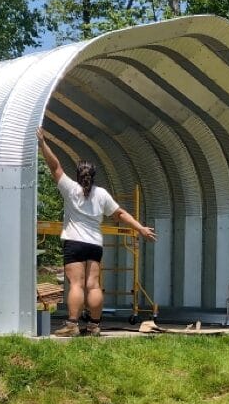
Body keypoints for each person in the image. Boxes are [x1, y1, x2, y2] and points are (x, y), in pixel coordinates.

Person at [37, 128, 157, 336]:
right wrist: (140, 228)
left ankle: (72, 325)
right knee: (93, 285)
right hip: (94, 244)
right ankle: (94, 326)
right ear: (93, 176)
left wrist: (43, 144)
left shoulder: (70, 189)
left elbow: (55, 165)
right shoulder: (101, 194)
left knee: (76, 283)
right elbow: (120, 214)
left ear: (78, 175)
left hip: (74, 242)